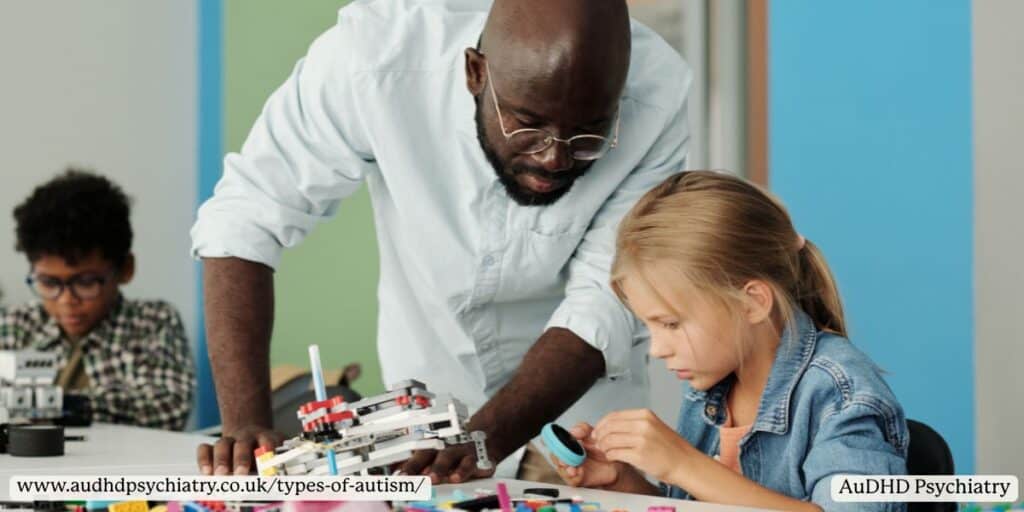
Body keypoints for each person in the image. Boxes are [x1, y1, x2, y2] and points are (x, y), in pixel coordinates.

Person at [190, 0, 691, 480]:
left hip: (580, 415)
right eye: (527, 124)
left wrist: (486, 440)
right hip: (424, 411)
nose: (554, 158)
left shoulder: (658, 95)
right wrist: (245, 423)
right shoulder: (372, 58)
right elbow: (246, 217)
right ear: (475, 72)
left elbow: (604, 297)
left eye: (589, 134)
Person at [552, 171, 908, 511]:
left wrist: (683, 464)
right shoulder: (714, 380)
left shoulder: (838, 393)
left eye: (671, 324)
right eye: (650, 326)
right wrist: (625, 483)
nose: (658, 349)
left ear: (752, 302)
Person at [0, 170, 195, 430]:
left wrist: (55, 405)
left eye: (85, 282)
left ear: (125, 269)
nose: (66, 300)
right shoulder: (12, 324)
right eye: (49, 283)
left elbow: (169, 407)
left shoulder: (152, 323)